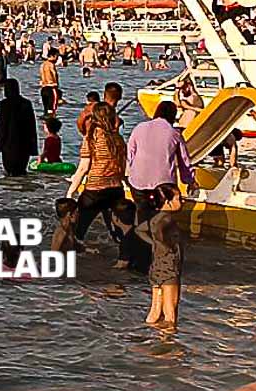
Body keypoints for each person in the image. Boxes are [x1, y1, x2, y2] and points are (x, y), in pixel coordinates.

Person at [66, 103, 127, 243]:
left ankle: (76, 260)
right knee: (118, 232)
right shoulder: (118, 138)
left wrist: (70, 193)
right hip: (116, 190)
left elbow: (83, 168)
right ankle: (124, 260)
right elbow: (122, 168)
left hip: (95, 191)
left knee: (76, 232)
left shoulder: (91, 137)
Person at [126, 100, 193, 222]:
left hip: (138, 181)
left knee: (143, 213)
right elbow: (184, 162)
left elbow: (130, 155)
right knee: (163, 218)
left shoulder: (139, 128)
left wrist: (131, 173)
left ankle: (142, 234)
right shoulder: (175, 133)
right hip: (164, 184)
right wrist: (189, 180)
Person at [137, 184, 184, 328]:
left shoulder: (156, 217)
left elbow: (139, 230)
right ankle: (167, 346)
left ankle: (148, 336)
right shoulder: (166, 219)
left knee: (155, 311)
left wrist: (155, 243)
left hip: (156, 266)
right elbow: (157, 228)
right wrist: (164, 245)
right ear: (168, 202)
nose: (182, 201)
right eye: (179, 199)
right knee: (170, 314)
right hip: (169, 266)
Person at [0, 78, 37, 176]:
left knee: (9, 173)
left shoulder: (5, 104)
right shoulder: (27, 103)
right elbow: (32, 126)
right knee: (21, 172)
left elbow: (2, 125)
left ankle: (11, 190)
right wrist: (33, 147)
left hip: (8, 144)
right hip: (24, 144)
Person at [39, 49, 61, 117]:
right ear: (52, 56)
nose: (57, 59)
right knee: (52, 109)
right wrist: (57, 85)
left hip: (43, 88)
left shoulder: (42, 65)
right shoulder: (51, 65)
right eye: (57, 57)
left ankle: (45, 125)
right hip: (51, 88)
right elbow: (54, 75)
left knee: (46, 110)